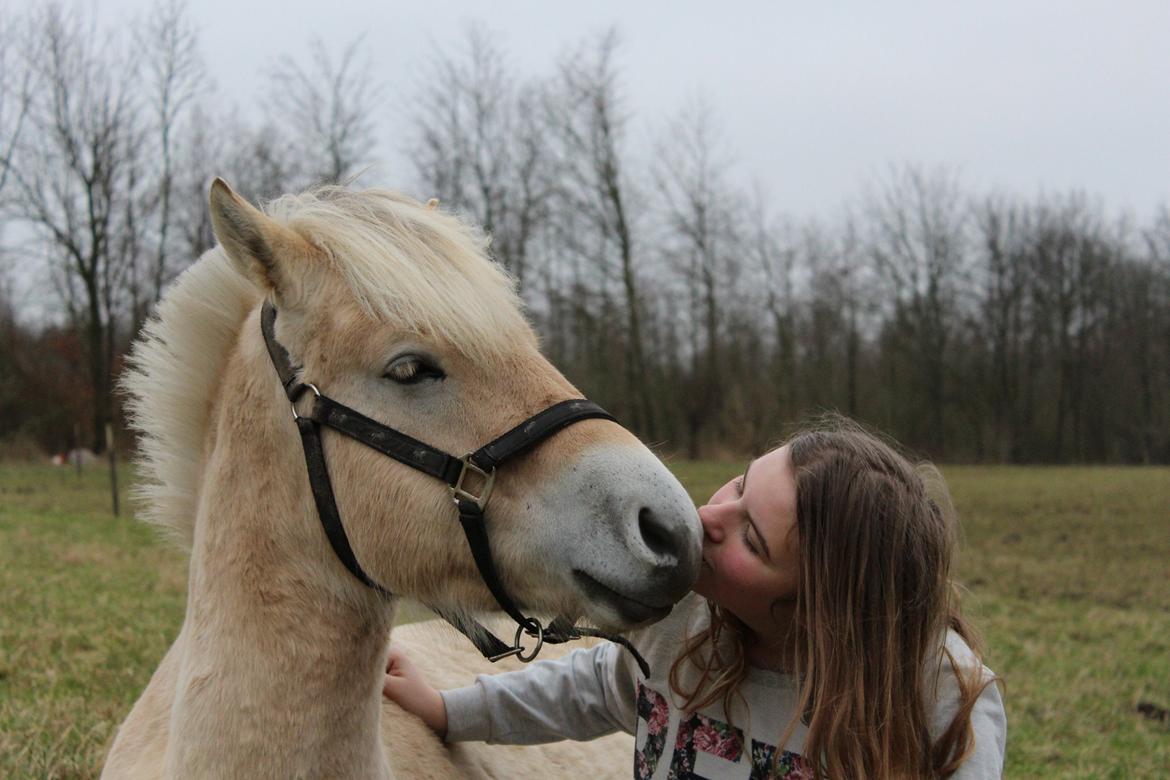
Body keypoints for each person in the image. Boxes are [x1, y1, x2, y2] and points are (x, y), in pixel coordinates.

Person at [384, 417, 1007, 778]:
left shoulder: (942, 700)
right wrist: (448, 711)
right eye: (739, 485)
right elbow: (592, 689)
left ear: (821, 613)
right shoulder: (681, 620)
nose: (707, 517)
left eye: (751, 539)